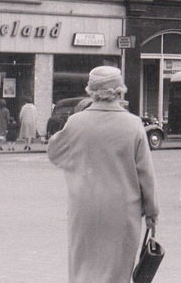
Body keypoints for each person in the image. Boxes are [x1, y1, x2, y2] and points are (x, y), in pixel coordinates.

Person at [47, 66, 158, 283]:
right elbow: (146, 174)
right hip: (123, 211)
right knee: (117, 270)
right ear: (119, 91)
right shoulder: (133, 125)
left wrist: (77, 162)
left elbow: (54, 152)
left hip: (84, 209)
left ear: (91, 90)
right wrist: (152, 211)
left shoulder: (76, 122)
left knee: (83, 268)